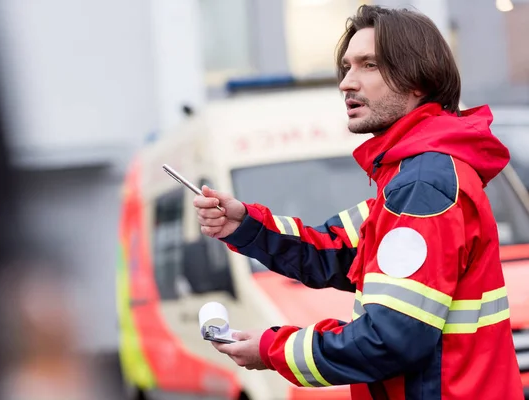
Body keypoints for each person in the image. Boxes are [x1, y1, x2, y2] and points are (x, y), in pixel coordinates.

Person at [192, 5, 524, 400]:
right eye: (346, 67)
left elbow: (389, 340)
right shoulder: (411, 179)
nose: (347, 82)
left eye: (368, 65)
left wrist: (271, 348)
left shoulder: (422, 186)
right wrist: (245, 225)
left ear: (418, 81)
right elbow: (333, 250)